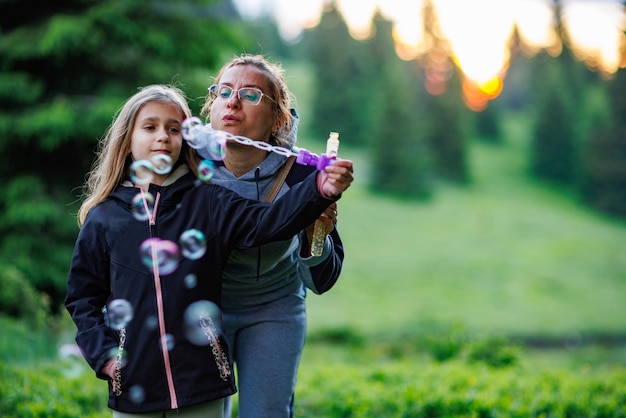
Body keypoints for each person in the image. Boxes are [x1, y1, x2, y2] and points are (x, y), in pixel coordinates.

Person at [64, 84, 354, 417]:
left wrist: (320, 188)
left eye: (174, 128)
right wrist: (105, 357)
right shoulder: (104, 217)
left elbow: (267, 221)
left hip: (203, 382)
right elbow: (82, 298)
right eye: (150, 127)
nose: (163, 137)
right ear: (126, 140)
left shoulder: (208, 199)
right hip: (132, 383)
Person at [198, 54, 344, 418]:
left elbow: (323, 280)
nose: (232, 102)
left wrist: (317, 234)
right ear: (211, 106)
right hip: (202, 310)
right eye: (223, 92)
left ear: (278, 118)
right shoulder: (187, 169)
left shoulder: (303, 177)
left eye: (250, 95)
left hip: (273, 309)